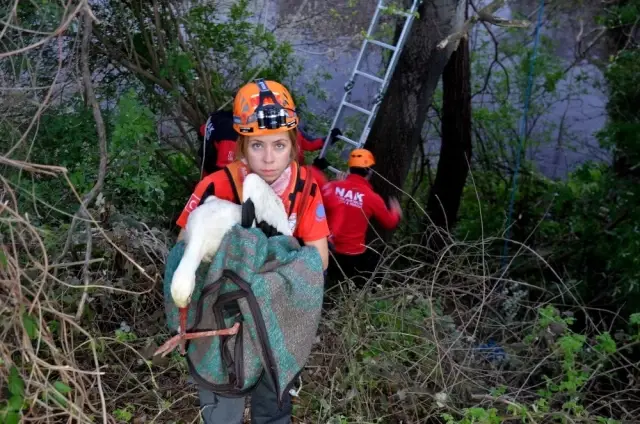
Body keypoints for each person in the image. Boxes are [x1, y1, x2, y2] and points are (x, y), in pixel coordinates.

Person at [175, 78, 330, 424]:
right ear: (242, 147)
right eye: (257, 146)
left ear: (293, 146)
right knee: (222, 406)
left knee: (273, 406)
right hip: (221, 318)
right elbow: (182, 251)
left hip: (275, 316)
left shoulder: (305, 188)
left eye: (279, 145)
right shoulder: (216, 186)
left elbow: (319, 259)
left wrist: (262, 282)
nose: (269, 159)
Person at [321, 149, 402, 285]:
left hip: (326, 249)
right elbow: (389, 222)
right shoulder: (373, 198)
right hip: (352, 255)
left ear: (350, 168)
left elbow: (317, 205)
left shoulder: (332, 186)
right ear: (370, 172)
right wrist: (396, 212)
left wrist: (338, 185)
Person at [197, 109, 238, 177]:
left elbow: (201, 131)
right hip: (215, 177)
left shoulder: (218, 115)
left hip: (207, 169)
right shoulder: (231, 132)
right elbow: (226, 169)